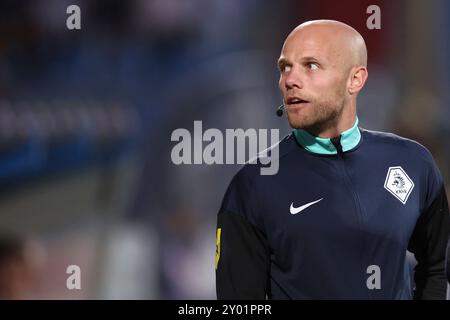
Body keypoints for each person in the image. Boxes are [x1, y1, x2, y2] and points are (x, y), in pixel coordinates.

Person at [215, 20, 450, 299]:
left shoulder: (414, 163)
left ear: (356, 79)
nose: (290, 79)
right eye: (284, 67)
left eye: (310, 65)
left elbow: (435, 267)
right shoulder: (252, 185)